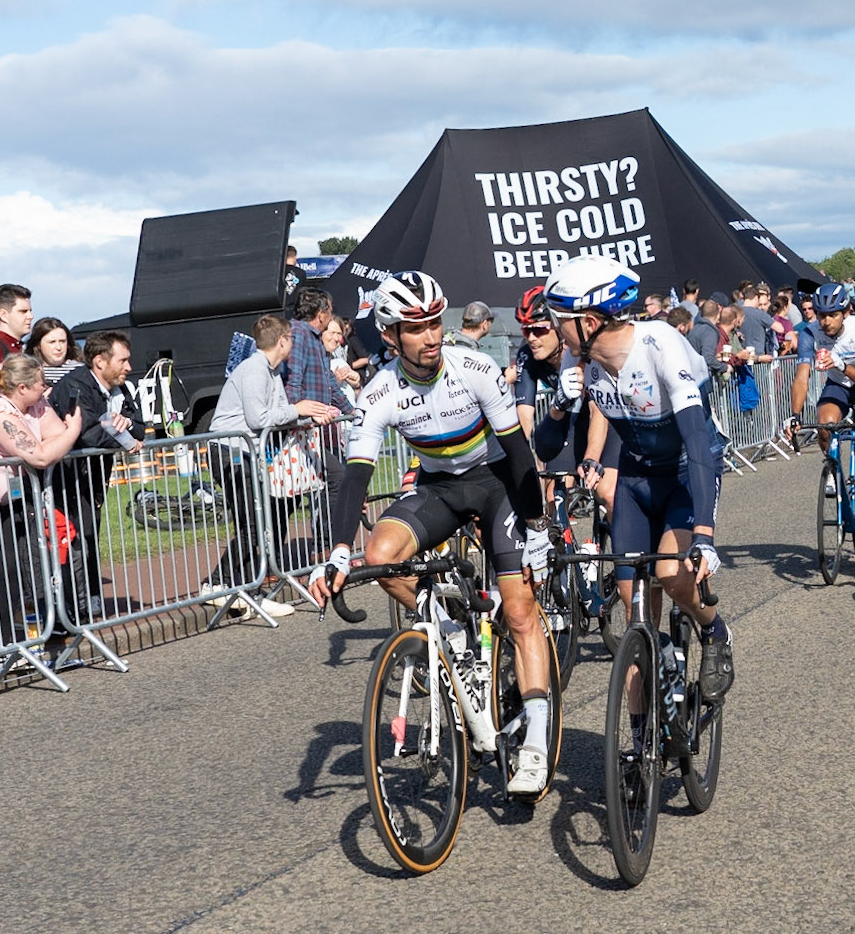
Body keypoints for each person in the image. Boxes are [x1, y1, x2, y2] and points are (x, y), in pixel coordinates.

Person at [307, 271, 555, 799]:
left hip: (496, 484)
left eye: (434, 322)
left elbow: (516, 454)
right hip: (440, 488)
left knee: (518, 610)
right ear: (391, 336)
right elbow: (356, 475)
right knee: (380, 556)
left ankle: (536, 739)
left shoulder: (476, 367)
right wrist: (337, 552)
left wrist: (534, 526)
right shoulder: (380, 391)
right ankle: (453, 633)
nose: (431, 335)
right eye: (415, 327)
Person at [534, 253, 733, 702]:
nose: (553, 328)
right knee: (635, 614)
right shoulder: (576, 359)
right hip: (637, 478)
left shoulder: (660, 343)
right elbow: (545, 449)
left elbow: (698, 442)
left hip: (686, 471)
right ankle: (641, 745)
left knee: (672, 573)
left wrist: (704, 532)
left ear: (587, 321)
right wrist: (562, 405)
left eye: (558, 318)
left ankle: (714, 631)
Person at [208, 314, 343, 617]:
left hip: (245, 452)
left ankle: (245, 589)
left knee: (258, 523)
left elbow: (282, 414)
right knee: (252, 524)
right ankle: (216, 584)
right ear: (282, 341)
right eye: (291, 340)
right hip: (229, 452)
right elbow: (259, 418)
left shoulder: (272, 370)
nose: (292, 344)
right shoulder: (254, 370)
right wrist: (298, 408)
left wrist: (312, 415)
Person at [47, 330, 150, 630]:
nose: (129, 367)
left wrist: (127, 425)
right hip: (65, 477)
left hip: (93, 476)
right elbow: (87, 432)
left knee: (90, 533)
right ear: (100, 361)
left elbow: (142, 424)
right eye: (123, 360)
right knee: (73, 539)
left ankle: (89, 598)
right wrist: (125, 440)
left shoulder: (121, 389)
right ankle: (72, 609)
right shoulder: (76, 385)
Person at [0, 353, 83, 655]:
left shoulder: (34, 404)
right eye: (41, 384)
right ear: (22, 388)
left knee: (11, 571)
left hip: (9, 499)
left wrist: (59, 439)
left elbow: (54, 439)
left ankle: (1, 643)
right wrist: (73, 430)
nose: (47, 388)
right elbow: (39, 456)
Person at [790, 281, 855, 554]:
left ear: (845, 312)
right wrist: (794, 416)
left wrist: (842, 365)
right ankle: (833, 469)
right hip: (838, 388)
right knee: (825, 425)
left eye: (832, 314)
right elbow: (802, 377)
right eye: (821, 315)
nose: (826, 321)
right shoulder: (810, 333)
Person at [512, 283, 619, 518]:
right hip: (567, 417)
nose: (531, 338)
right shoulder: (527, 355)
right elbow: (524, 415)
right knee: (553, 497)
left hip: (602, 417)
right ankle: (564, 548)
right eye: (525, 331)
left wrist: (591, 458)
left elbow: (598, 410)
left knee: (608, 493)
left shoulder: (582, 349)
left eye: (539, 330)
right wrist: (519, 462)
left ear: (559, 329)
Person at [0, 284, 33, 375]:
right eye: (23, 311)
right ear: (3, 315)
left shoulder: (19, 348)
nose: (30, 316)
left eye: (30, 311)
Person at [25, 317, 82, 388]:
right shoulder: (27, 372)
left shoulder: (81, 371)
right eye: (52, 342)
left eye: (62, 341)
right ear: (38, 345)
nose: (58, 347)